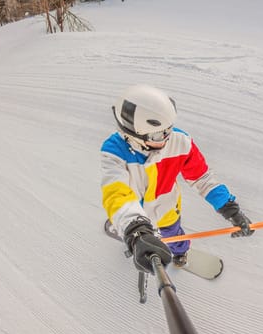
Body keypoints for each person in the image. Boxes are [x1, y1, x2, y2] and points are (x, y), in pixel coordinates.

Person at [100, 84, 254, 274]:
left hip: (166, 209)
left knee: (174, 234)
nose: (166, 138)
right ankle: (129, 229)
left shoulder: (180, 142)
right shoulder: (114, 152)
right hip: (136, 210)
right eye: (158, 134)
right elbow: (116, 193)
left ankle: (180, 253)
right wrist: (136, 228)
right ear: (133, 132)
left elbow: (201, 177)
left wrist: (229, 208)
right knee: (128, 221)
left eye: (168, 129)